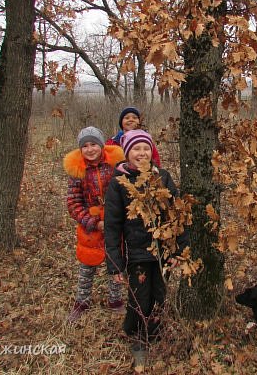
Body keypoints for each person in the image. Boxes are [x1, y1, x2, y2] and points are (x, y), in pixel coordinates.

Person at [104, 129, 189, 365]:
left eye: (146, 148)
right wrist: (115, 263)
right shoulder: (118, 182)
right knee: (139, 298)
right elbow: (112, 225)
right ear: (126, 153)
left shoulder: (162, 176)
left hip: (163, 251)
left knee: (159, 295)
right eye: (136, 149)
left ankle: (154, 331)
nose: (141, 153)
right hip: (136, 254)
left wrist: (179, 251)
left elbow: (177, 215)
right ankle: (138, 337)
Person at [63, 126, 125, 323]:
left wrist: (116, 218)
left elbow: (124, 192)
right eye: (85, 146)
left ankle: (115, 300)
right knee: (87, 265)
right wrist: (92, 222)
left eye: (94, 144)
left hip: (114, 222)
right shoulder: (78, 172)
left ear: (102, 145)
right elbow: (73, 203)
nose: (90, 149)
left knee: (115, 260)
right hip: (91, 226)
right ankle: (82, 302)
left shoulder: (114, 165)